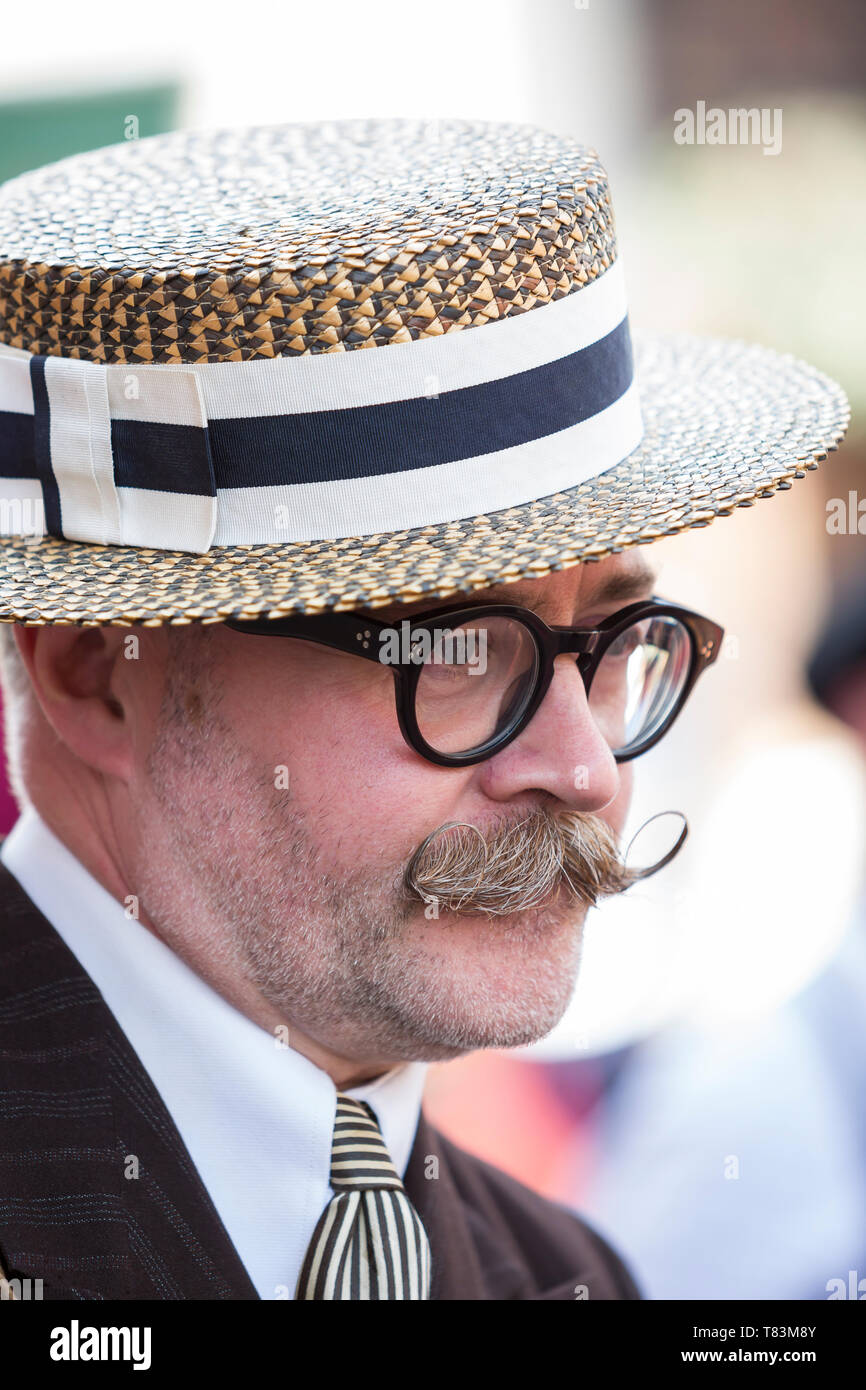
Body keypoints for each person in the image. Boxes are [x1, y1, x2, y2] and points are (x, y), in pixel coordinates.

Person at [0, 117, 848, 1301]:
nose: (583, 768)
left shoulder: (570, 1274)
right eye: (451, 649)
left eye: (608, 642)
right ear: (95, 669)